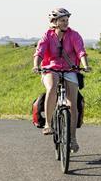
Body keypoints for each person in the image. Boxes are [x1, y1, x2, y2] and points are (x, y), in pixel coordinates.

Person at [32, 8, 90, 153]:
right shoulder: (47, 35)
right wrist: (36, 66)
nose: (66, 23)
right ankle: (48, 123)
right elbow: (39, 52)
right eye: (62, 20)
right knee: (52, 87)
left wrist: (85, 65)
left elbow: (81, 51)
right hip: (50, 69)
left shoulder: (74, 35)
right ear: (55, 22)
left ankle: (73, 139)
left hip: (70, 69)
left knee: (72, 102)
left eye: (67, 20)